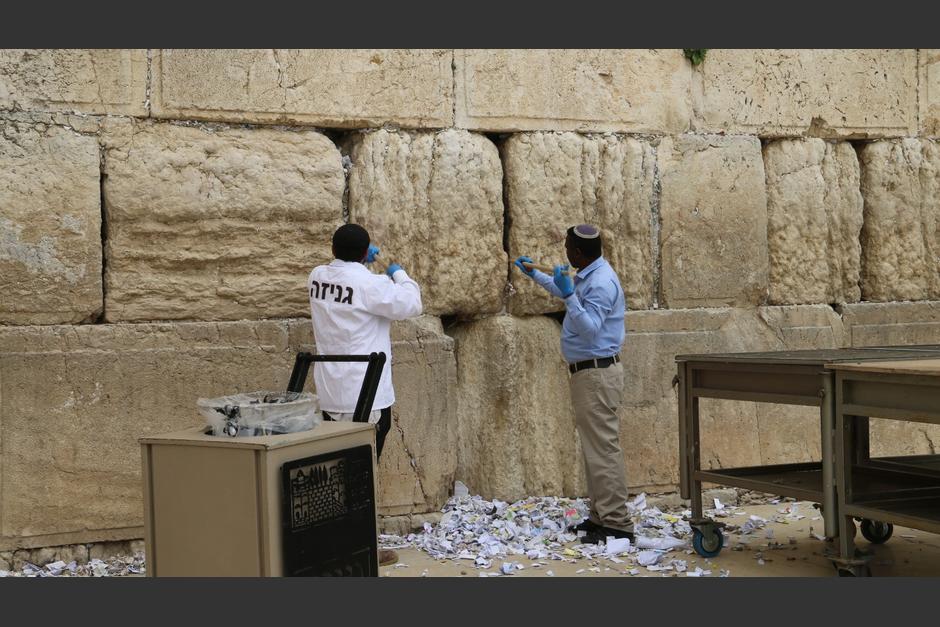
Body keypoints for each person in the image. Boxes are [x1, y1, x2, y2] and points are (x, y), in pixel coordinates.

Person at [308, 223, 422, 566]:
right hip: (366, 393)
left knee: (334, 471)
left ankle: (333, 541)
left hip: (330, 391)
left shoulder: (316, 276)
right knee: (361, 473)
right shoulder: (371, 283)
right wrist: (394, 269)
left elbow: (346, 286)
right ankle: (358, 548)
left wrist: (362, 265)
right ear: (364, 252)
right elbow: (412, 302)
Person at [514, 224, 634, 544]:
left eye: (568, 247)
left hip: (597, 374)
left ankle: (617, 523)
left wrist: (569, 295)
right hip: (589, 374)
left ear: (579, 252)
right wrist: (536, 275)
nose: (565, 252)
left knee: (603, 451)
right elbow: (563, 288)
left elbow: (590, 328)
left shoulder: (602, 283)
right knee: (594, 451)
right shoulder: (589, 274)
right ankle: (601, 516)